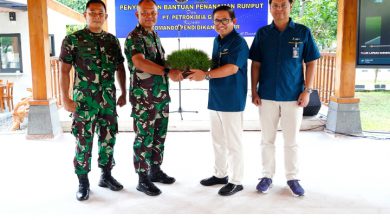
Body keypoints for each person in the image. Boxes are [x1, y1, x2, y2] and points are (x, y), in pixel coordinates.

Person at [249, 0, 320, 197]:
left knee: (291, 141)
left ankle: (292, 178)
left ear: (291, 6)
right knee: (267, 140)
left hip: (293, 96)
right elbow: (256, 64)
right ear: (270, 7)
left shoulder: (303, 32)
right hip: (267, 96)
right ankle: (266, 176)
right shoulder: (263, 33)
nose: (279, 9)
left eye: (283, 5)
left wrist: (307, 90)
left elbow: (312, 62)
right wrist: (253, 91)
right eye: (275, 5)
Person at [59, 0, 127, 201]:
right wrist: (65, 98)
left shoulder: (113, 41)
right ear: (85, 15)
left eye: (100, 13)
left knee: (108, 138)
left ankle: (106, 175)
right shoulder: (73, 40)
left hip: (107, 99)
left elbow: (120, 68)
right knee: (83, 140)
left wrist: (123, 92)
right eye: (92, 12)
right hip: (84, 101)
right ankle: (83, 181)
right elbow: (64, 70)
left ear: (105, 16)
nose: (96, 16)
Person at [188, 6, 249, 196]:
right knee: (218, 140)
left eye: (225, 20)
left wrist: (204, 75)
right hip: (215, 98)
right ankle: (220, 174)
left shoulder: (239, 43)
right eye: (217, 20)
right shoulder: (217, 40)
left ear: (234, 21)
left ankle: (236, 181)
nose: (220, 24)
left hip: (231, 99)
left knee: (233, 142)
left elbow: (231, 68)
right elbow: (217, 66)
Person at [124, 0, 183, 196]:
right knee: (144, 138)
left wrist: (179, 68)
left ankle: (155, 171)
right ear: (137, 15)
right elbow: (139, 62)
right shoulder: (135, 37)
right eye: (145, 13)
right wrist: (168, 71)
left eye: (153, 13)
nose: (149, 16)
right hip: (144, 98)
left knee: (159, 136)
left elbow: (158, 63)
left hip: (160, 96)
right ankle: (142, 179)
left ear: (157, 14)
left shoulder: (154, 35)